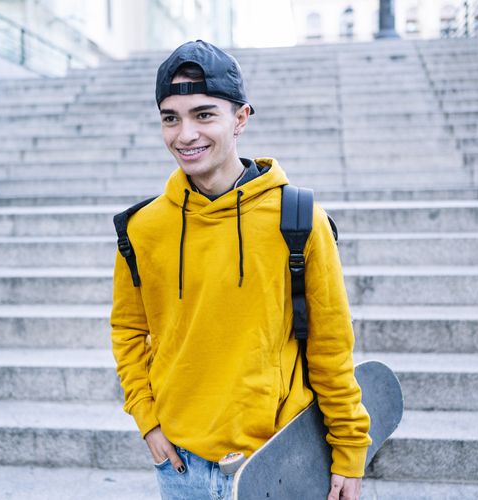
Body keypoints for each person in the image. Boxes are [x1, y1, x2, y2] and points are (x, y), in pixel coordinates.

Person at [110, 40, 371, 500]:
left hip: (277, 461)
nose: (185, 134)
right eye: (171, 118)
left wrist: (349, 447)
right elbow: (129, 331)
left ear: (241, 118)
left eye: (204, 114)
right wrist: (147, 421)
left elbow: (332, 343)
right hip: (180, 466)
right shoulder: (143, 229)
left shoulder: (299, 218)